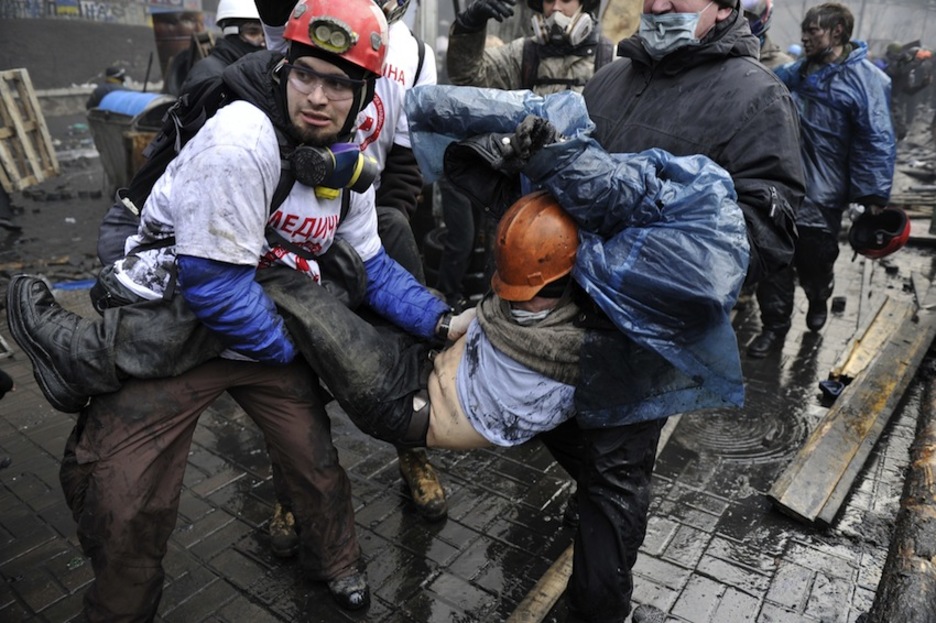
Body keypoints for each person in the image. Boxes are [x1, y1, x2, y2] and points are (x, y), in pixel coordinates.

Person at [6, 0, 456, 616]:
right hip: (182, 315)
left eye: (338, 84)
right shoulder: (241, 139)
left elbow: (374, 267)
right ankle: (121, 605)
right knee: (125, 491)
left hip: (263, 318)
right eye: (306, 75)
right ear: (282, 70)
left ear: (364, 97)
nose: (318, 98)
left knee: (315, 464)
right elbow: (216, 289)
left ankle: (339, 564)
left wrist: (443, 320)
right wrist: (309, 344)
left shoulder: (344, 165)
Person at [410, 0, 805, 615]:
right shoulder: (612, 77)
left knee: (616, 478)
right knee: (582, 451)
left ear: (726, 6)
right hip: (567, 318)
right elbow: (565, 183)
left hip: (644, 333)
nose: (660, 4)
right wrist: (520, 163)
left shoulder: (756, 97)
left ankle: (597, 606)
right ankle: (599, 505)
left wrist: (642, 245)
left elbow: (765, 233)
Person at [255, 0, 451, 529]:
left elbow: (409, 152)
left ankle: (414, 455)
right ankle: (292, 491)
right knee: (290, 371)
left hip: (372, 209)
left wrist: (382, 213)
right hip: (299, 203)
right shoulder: (319, 16)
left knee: (406, 345)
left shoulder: (416, 53)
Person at [747, 2, 895, 358]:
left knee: (815, 258)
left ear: (837, 32)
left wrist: (873, 194)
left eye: (813, 30)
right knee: (775, 259)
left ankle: (819, 293)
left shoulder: (867, 82)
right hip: (784, 184)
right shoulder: (796, 73)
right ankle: (774, 328)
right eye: (805, 29)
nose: (804, 36)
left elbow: (876, 139)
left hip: (826, 192)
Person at [178, 0, 266, 93]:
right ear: (231, 33)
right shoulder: (209, 76)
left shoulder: (257, 70)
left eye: (265, 35)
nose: (263, 42)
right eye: (253, 33)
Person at [742, 0, 793, 69]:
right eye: (741, 16)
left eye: (750, 17)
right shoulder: (724, 54)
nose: (744, 22)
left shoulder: (783, 65)